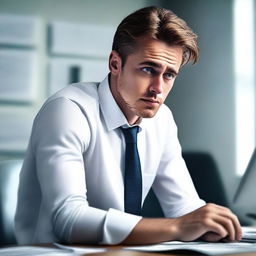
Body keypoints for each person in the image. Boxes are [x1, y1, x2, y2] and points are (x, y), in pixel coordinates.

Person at [14, 6, 242, 245]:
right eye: (147, 69)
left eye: (169, 75)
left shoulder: (162, 119)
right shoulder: (67, 110)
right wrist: (179, 226)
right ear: (115, 64)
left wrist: (212, 225)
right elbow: (68, 220)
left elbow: (185, 210)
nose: (158, 88)